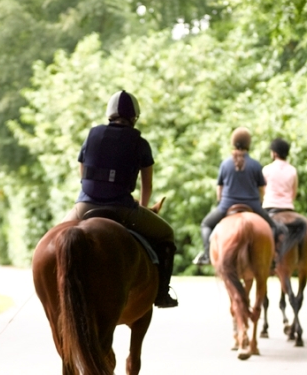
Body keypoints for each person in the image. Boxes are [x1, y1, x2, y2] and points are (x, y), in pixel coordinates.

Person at [63, 90, 179, 308]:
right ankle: (162, 294)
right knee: (167, 234)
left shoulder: (92, 134)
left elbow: (82, 170)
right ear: (134, 117)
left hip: (85, 205)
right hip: (121, 208)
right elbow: (148, 185)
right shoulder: (140, 142)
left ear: (109, 115)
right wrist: (143, 207)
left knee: (56, 238)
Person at [192, 127, 283, 266]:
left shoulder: (225, 164)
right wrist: (259, 202)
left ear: (233, 143)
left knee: (206, 224)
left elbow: (219, 189)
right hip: (253, 206)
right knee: (274, 227)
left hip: (227, 205)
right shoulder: (256, 165)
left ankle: (206, 255)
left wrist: (220, 202)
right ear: (248, 144)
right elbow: (261, 190)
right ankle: (271, 258)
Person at [262, 137, 298, 212]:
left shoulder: (267, 169)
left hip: (269, 206)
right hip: (288, 207)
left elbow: (263, 190)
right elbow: (294, 193)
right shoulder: (293, 170)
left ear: (275, 153)